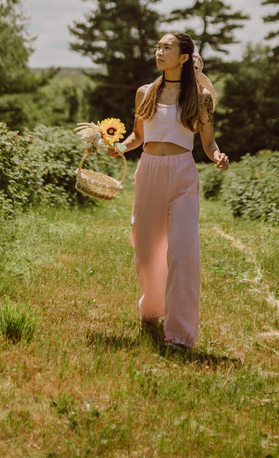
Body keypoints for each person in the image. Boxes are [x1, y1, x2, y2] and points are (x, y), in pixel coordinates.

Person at [110, 32, 229, 352]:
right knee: (146, 252)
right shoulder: (144, 93)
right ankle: (152, 308)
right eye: (158, 47)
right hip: (148, 172)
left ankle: (180, 334)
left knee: (182, 252)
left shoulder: (199, 98)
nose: (159, 52)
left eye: (167, 48)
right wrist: (119, 147)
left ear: (184, 58)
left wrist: (217, 156)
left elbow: (208, 143)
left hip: (182, 174)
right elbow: (137, 136)